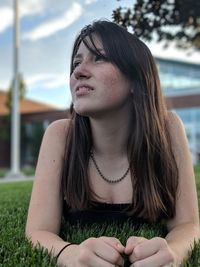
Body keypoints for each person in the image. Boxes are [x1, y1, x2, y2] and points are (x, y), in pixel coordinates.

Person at [26, 20, 200, 267]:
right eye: (76, 63)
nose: (79, 72)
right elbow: (38, 231)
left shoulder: (168, 129)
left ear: (135, 78)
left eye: (98, 58)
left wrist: (174, 252)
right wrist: (69, 253)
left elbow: (188, 225)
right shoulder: (60, 135)